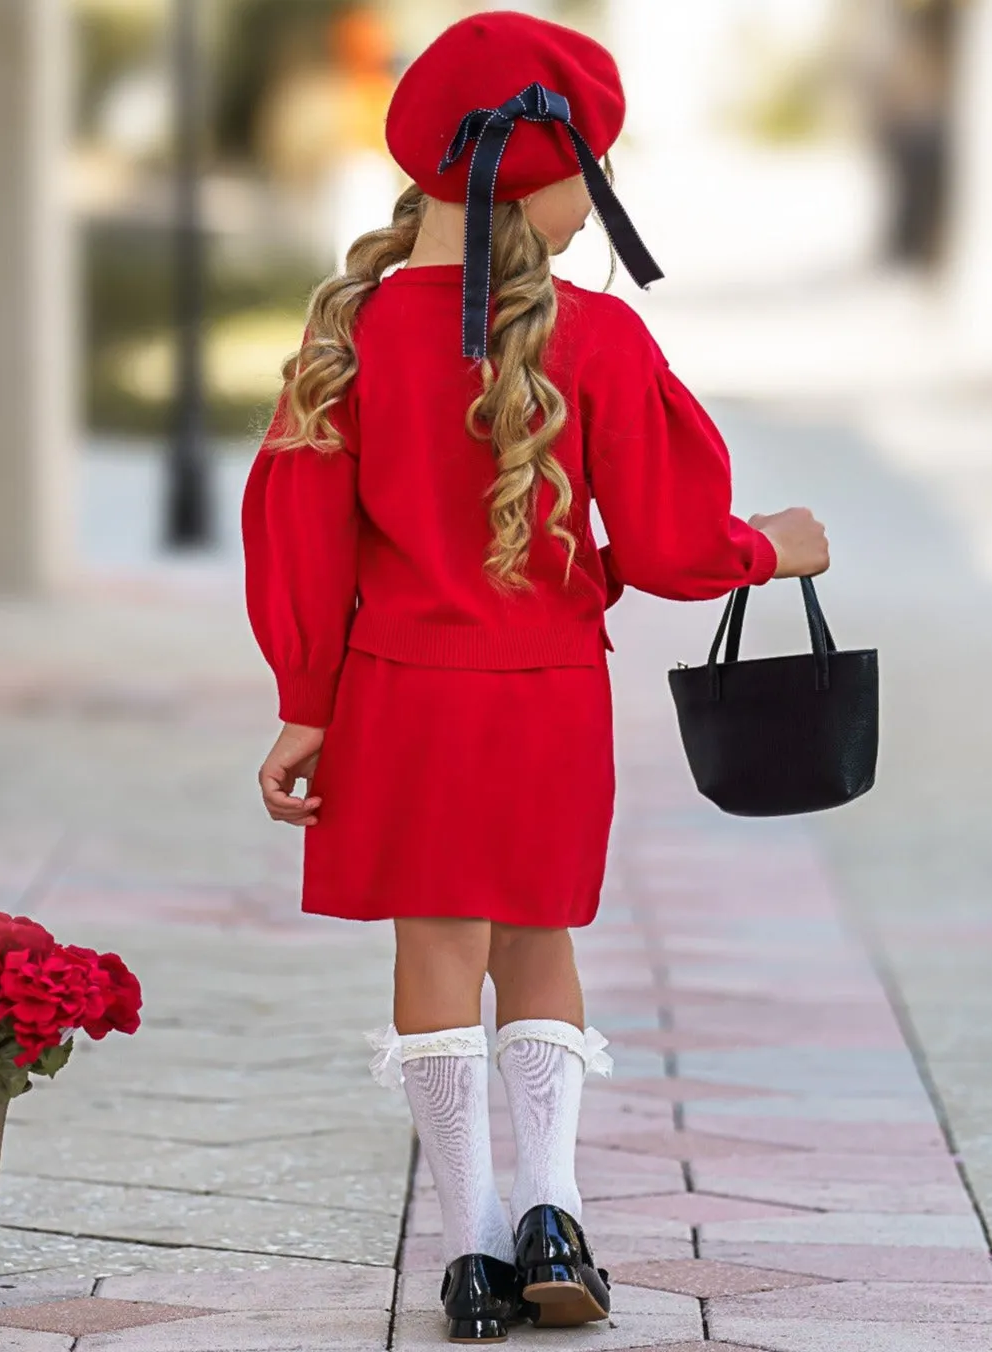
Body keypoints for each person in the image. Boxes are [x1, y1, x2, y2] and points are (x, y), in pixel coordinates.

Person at [242, 10, 829, 1345]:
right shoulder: (603, 346)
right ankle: (553, 1208)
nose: (595, 207)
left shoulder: (345, 344)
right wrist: (772, 548)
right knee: (539, 944)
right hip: (547, 695)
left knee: (433, 952)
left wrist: (303, 703)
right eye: (596, 175)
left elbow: (300, 537)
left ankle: (468, 1253)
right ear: (542, 171)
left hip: (399, 691)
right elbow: (679, 548)